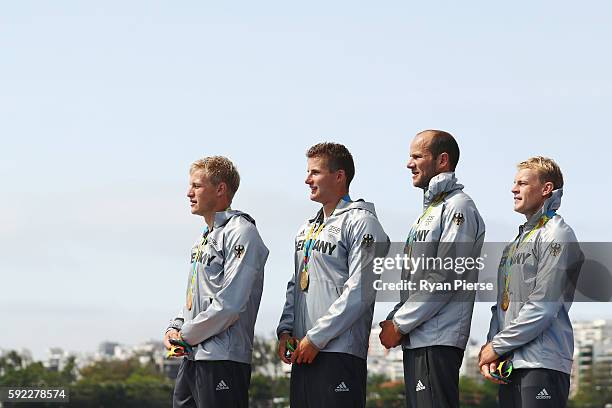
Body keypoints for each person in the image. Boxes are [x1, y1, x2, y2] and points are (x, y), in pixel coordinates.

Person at [276, 142, 389, 408]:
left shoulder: (362, 222)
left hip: (339, 353)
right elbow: (295, 284)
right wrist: (285, 331)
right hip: (304, 352)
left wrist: (317, 337)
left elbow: (360, 291)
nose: (307, 179)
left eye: (315, 172)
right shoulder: (307, 228)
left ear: (339, 176)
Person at [379, 130, 486, 408]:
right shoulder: (429, 210)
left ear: (442, 160)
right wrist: (395, 318)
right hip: (418, 336)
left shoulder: (458, 206)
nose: (408, 163)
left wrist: (400, 324)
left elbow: (446, 275)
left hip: (437, 337)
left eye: (417, 156)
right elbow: (418, 278)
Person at [163, 156, 269, 408]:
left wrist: (185, 334)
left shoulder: (242, 231)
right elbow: (197, 297)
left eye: (197, 186)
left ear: (220, 189)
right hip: (193, 356)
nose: (189, 193)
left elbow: (230, 304)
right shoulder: (204, 237)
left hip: (223, 359)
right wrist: (175, 325)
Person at [479, 156, 583, 408]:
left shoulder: (558, 234)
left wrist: (497, 346)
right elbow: (500, 307)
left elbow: (543, 306)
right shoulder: (515, 243)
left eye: (522, 183)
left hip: (542, 363)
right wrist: (493, 348)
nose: (514, 189)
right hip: (511, 364)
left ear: (546, 189)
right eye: (515, 183)